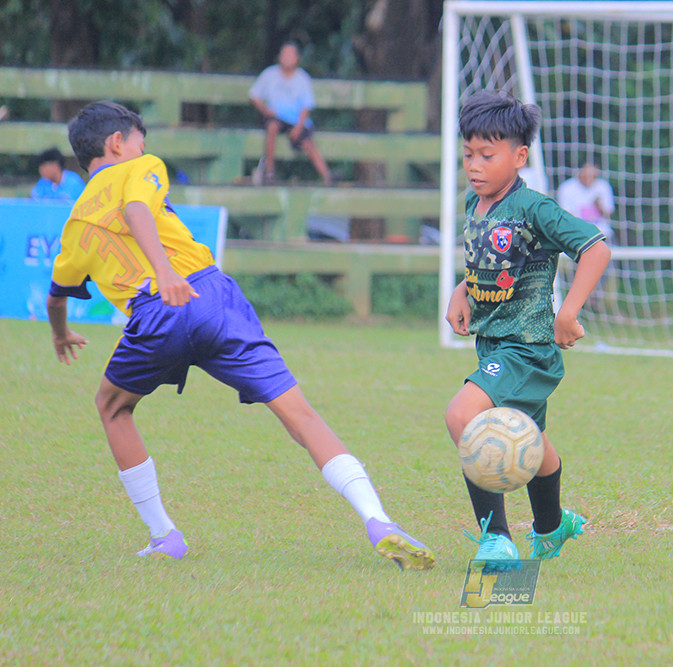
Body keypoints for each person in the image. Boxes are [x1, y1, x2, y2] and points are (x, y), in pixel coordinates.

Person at [46, 101, 434, 570]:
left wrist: (61, 333)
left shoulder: (75, 225)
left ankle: (164, 535)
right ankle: (378, 520)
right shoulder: (141, 168)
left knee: (112, 406)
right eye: (138, 142)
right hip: (210, 294)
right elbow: (135, 210)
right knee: (301, 416)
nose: (143, 150)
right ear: (117, 144)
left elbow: (57, 295)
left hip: (156, 315)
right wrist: (167, 270)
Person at [445, 91, 611, 568]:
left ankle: (495, 539)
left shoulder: (535, 207)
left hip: (527, 348)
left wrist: (568, 312)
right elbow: (496, 262)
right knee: (532, 445)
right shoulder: (478, 207)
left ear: (520, 156)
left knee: (464, 417)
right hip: (493, 345)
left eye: (487, 155)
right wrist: (462, 289)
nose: (474, 165)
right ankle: (551, 525)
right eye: (468, 155)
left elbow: (596, 248)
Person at [249, 42, 332, 185]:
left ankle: (328, 178)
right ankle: (270, 172)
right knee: (272, 127)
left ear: (296, 59)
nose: (287, 58)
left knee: (308, 144)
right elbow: (254, 95)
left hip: (296, 120)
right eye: (284, 55)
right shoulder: (269, 74)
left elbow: (306, 106)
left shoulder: (302, 78)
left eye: (290, 55)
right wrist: (265, 110)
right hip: (275, 117)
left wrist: (299, 127)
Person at [556, 162, 616, 244]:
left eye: (592, 176)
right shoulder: (567, 187)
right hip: (577, 235)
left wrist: (599, 205)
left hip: (602, 235)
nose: (589, 178)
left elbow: (608, 214)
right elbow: (565, 215)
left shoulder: (603, 186)